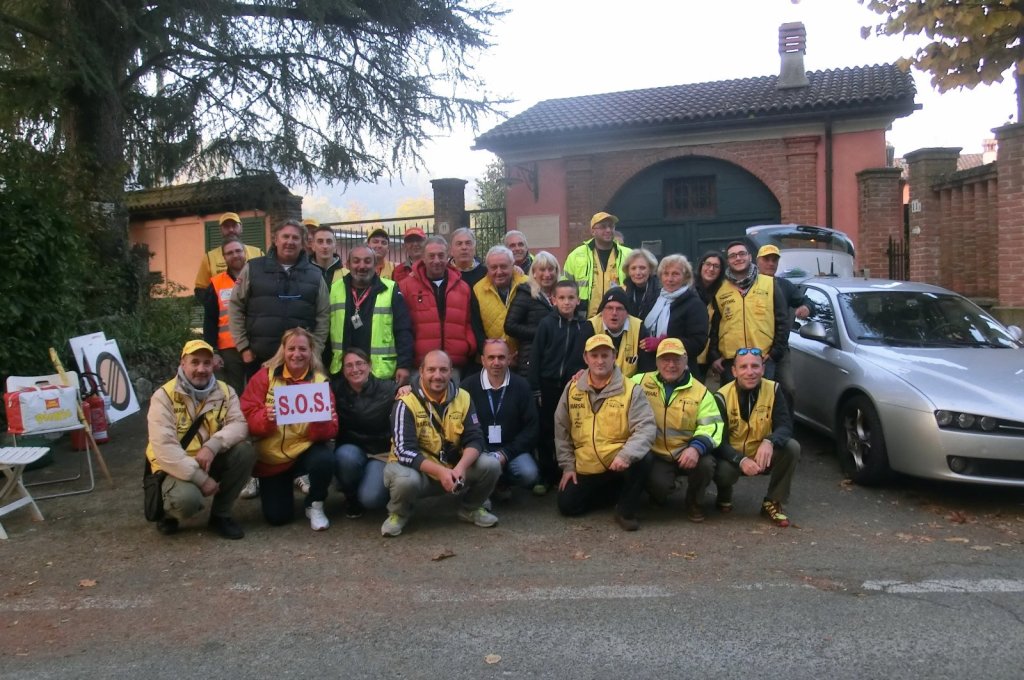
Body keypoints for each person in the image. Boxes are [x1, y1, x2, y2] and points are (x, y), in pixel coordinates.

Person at [382, 350, 500, 537]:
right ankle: (398, 514)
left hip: (452, 470)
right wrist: (440, 472)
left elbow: (475, 438)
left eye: (443, 370)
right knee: (406, 481)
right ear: (421, 372)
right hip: (416, 471)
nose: (437, 375)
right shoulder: (406, 402)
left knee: (491, 464)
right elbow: (404, 451)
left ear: (451, 371)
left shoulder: (464, 397)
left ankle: (471, 508)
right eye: (431, 370)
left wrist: (460, 467)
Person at [145, 340, 255, 539]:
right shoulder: (163, 396)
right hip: (173, 467)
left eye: (206, 363)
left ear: (214, 364)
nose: (201, 369)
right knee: (188, 500)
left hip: (208, 459)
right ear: (183, 363)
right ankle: (167, 512)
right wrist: (201, 479)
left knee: (245, 451)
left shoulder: (226, 391)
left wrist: (213, 446)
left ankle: (220, 515)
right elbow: (164, 448)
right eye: (194, 362)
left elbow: (239, 425)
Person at [554, 334, 656, 531]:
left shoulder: (631, 390)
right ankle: (615, 494)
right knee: (567, 506)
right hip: (587, 464)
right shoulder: (572, 388)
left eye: (605, 355)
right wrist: (568, 466)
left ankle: (625, 510)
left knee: (645, 458)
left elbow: (646, 427)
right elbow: (561, 429)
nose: (600, 361)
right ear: (586, 358)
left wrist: (627, 455)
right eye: (594, 356)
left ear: (614, 356)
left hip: (618, 461)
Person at [240, 327, 338, 531]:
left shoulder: (320, 382)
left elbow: (332, 430)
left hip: (305, 450)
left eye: (302, 349)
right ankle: (282, 487)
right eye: (291, 348)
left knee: (324, 459)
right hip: (273, 457)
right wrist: (265, 418)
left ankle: (315, 504)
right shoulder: (264, 376)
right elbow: (246, 414)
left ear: (311, 351)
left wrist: (320, 422)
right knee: (278, 517)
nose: (297, 354)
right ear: (283, 350)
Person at [631, 338, 723, 522]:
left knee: (706, 465)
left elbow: (712, 425)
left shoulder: (701, 391)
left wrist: (696, 448)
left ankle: (694, 502)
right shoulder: (639, 381)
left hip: (688, 452)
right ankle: (662, 492)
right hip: (656, 454)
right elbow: (613, 384)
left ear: (685, 361)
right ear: (657, 362)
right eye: (665, 359)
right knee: (659, 486)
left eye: (676, 360)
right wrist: (582, 375)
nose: (671, 365)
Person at [713, 347, 800, 527]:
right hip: (734, 457)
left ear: (763, 368)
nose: (750, 372)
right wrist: (741, 460)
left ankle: (773, 501)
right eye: (743, 367)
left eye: (755, 366)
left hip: (763, 454)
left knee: (792, 447)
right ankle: (724, 493)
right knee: (721, 472)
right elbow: (718, 442)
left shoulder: (774, 389)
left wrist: (770, 441)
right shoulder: (721, 396)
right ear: (734, 371)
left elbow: (785, 425)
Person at [228, 220, 330, 371]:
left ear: (302, 243)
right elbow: (235, 306)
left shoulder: (315, 275)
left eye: (295, 238)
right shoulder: (253, 268)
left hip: (300, 360)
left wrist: (315, 351)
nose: (290, 242)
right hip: (259, 358)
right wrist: (243, 347)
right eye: (285, 236)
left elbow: (323, 315)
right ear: (276, 240)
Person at [460, 339, 540, 498]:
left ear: (509, 359)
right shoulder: (468, 386)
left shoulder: (521, 386)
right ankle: (481, 489)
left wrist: (505, 453)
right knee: (474, 465)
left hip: (510, 449)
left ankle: (499, 483)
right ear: (482, 360)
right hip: (478, 449)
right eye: (491, 357)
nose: (496, 362)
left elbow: (532, 428)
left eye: (501, 357)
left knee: (529, 473)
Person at [528, 280, 586, 492]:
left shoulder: (584, 326)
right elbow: (535, 357)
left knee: (569, 429)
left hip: (572, 388)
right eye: (562, 298)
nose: (567, 302)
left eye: (571, 298)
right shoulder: (547, 324)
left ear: (578, 300)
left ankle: (567, 471)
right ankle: (546, 474)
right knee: (546, 430)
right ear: (553, 300)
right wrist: (535, 388)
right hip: (548, 385)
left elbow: (586, 359)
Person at [328, 244, 413, 384]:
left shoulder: (391, 289)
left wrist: (404, 365)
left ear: (375, 265)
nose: (362, 266)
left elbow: (403, 331)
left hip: (379, 374)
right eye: (356, 261)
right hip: (342, 372)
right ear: (348, 264)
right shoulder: (334, 289)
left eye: (367, 261)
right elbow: (325, 329)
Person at [708, 240, 789, 383]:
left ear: (750, 257)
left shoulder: (769, 283)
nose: (738, 258)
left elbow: (782, 321)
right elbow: (714, 326)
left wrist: (775, 353)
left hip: (762, 358)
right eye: (733, 256)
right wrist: (714, 355)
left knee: (762, 403)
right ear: (728, 261)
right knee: (733, 404)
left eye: (741, 254)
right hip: (730, 360)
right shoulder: (720, 288)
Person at [398, 235, 478, 377]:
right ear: (423, 257)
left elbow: (469, 321)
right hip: (421, 365)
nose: (436, 260)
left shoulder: (463, 287)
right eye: (431, 256)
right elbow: (402, 325)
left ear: (448, 256)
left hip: (454, 365)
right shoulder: (406, 286)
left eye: (441, 255)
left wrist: (468, 346)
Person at [331, 348, 397, 518]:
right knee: (344, 457)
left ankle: (385, 489)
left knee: (371, 499)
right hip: (353, 450)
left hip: (380, 453)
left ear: (369, 365)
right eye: (349, 366)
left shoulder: (389, 389)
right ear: (343, 370)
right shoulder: (335, 390)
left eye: (360, 363)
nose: (355, 369)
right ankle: (350, 497)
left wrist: (407, 390)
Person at [756, 244, 809, 406]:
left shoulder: (785, 285)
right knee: (760, 393)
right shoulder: (750, 284)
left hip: (780, 348)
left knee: (788, 389)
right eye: (767, 260)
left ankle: (786, 427)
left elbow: (805, 300)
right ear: (758, 261)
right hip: (756, 347)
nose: (771, 263)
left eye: (774, 260)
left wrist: (806, 307)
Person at [569, 288, 654, 378]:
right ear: (602, 311)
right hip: (597, 385)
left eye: (619, 309)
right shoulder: (590, 327)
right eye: (609, 308)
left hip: (629, 387)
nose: (614, 313)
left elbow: (646, 371)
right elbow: (576, 364)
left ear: (627, 313)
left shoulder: (639, 328)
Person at [640, 254, 709, 361]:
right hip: (650, 363)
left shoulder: (695, 304)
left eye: (675, 274)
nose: (669, 279)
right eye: (665, 274)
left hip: (678, 365)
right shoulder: (653, 298)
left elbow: (698, 342)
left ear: (685, 277)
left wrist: (664, 343)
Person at [563, 211, 632, 317]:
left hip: (617, 318)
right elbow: (565, 287)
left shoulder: (628, 254)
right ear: (593, 231)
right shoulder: (576, 255)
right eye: (603, 227)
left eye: (611, 226)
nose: (608, 230)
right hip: (585, 318)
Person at [203, 237, 248, 395]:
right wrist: (212, 352)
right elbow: (209, 320)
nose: (235, 255)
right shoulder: (216, 283)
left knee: (259, 391)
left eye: (238, 251)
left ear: (245, 252)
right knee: (234, 393)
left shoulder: (257, 278)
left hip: (256, 344)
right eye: (230, 253)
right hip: (229, 350)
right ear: (224, 257)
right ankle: (237, 420)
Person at [504, 250, 559, 378]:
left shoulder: (562, 294)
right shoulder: (525, 293)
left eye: (551, 269)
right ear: (534, 272)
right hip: (531, 358)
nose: (547, 274)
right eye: (542, 270)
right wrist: (541, 332)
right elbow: (510, 326)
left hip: (555, 358)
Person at [472, 245, 529, 358]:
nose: (499, 272)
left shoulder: (528, 285)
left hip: (523, 357)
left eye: (503, 266)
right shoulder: (478, 290)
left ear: (512, 266)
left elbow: (533, 323)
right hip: (493, 360)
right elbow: (477, 329)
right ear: (487, 268)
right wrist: (493, 355)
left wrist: (521, 354)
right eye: (494, 267)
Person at [193, 211, 263, 299]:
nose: (231, 230)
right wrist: (214, 304)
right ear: (221, 230)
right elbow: (200, 289)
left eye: (234, 226)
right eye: (226, 226)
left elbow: (268, 282)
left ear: (241, 228)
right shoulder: (209, 258)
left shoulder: (258, 253)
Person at [693, 251, 726, 381]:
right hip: (687, 351)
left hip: (705, 355)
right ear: (701, 266)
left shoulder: (722, 293)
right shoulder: (687, 288)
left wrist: (714, 355)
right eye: (708, 264)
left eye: (716, 266)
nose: (711, 269)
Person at [622, 248, 660, 321]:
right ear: (628, 271)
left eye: (642, 268)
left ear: (650, 269)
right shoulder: (622, 292)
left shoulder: (661, 293)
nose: (638, 272)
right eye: (633, 268)